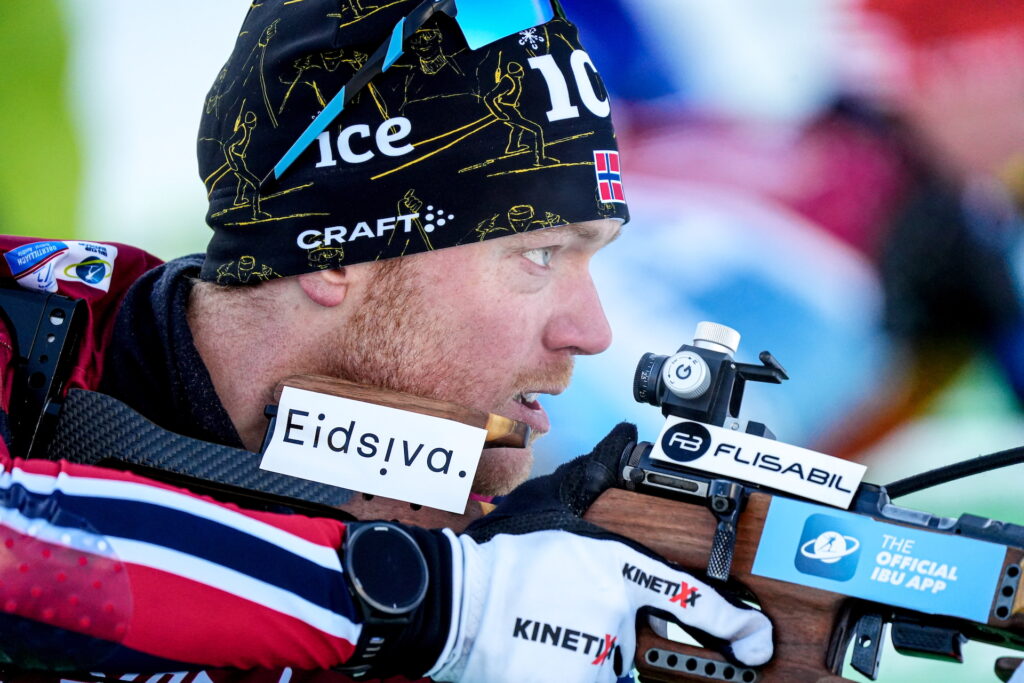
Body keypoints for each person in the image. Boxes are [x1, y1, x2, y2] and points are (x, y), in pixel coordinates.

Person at [0, 1, 773, 681]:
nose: (594, 331)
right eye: (539, 253)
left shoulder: (484, 560)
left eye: (592, 256)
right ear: (338, 253)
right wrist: (430, 600)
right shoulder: (16, 327)